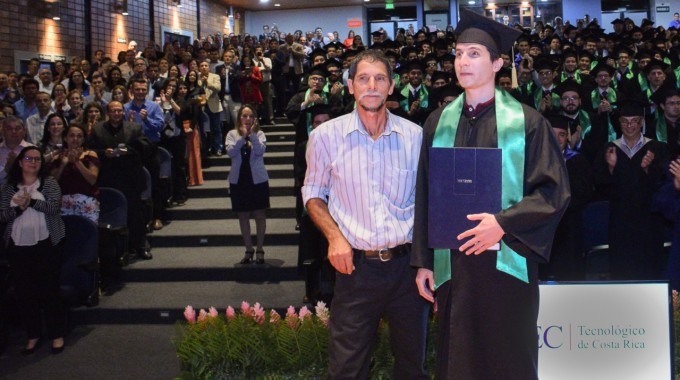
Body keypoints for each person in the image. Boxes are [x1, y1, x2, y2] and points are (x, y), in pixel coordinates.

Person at [411, 10, 570, 379]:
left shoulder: (528, 123)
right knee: (458, 359)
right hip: (454, 265)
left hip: (507, 265)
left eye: (474, 54)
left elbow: (554, 192)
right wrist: (423, 259)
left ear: (498, 63)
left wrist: (502, 224)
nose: (462, 62)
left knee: (507, 359)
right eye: (458, 53)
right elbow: (425, 192)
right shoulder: (438, 122)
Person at [302, 49, 428, 379]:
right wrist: (334, 238)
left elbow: (429, 202)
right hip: (355, 268)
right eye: (363, 78)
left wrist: (427, 262)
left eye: (380, 78)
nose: (372, 86)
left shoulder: (415, 137)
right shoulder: (324, 137)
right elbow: (313, 194)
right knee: (346, 368)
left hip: (407, 270)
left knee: (412, 366)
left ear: (391, 86)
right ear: (350, 85)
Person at [0, 146, 67, 355]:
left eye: (37, 159)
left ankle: (57, 334)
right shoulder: (10, 187)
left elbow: (55, 209)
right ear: (20, 162)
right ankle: (33, 335)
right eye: (28, 158)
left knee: (49, 291)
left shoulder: (50, 184)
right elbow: (2, 216)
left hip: (46, 244)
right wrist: (19, 208)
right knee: (25, 293)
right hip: (18, 247)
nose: (33, 162)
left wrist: (33, 202)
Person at [225, 104, 269, 265]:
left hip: (257, 179)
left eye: (250, 116)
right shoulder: (231, 134)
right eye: (244, 116)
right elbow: (231, 152)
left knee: (260, 215)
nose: (247, 119)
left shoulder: (260, 133)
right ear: (239, 118)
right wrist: (242, 137)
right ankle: (248, 248)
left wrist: (252, 136)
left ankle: (260, 248)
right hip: (239, 180)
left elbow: (260, 151)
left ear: (255, 118)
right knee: (243, 215)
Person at [50, 123, 100, 223]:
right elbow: (52, 183)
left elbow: (92, 180)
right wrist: (62, 165)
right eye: (72, 135)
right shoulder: (58, 157)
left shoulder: (90, 155)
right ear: (65, 138)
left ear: (83, 139)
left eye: (79, 136)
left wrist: (77, 162)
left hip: (86, 202)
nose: (75, 139)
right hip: (63, 203)